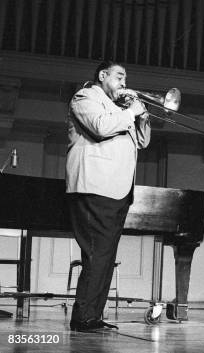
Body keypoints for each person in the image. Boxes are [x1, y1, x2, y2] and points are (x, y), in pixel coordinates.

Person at [66, 60, 150, 331]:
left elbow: (141, 142)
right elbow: (100, 127)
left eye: (125, 77)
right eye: (119, 76)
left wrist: (142, 117)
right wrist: (130, 112)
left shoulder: (119, 107)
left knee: (105, 256)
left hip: (116, 188)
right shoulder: (85, 96)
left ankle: (92, 315)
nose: (124, 82)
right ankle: (83, 317)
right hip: (95, 185)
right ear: (103, 75)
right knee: (96, 254)